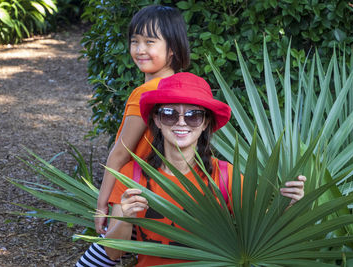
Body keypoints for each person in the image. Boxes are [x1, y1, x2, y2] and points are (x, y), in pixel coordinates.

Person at [102, 72, 306, 266]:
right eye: (169, 114)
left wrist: (288, 203)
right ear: (157, 120)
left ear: (205, 122)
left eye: (193, 115)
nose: (181, 122)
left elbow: (262, 229)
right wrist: (125, 220)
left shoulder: (226, 176)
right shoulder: (132, 175)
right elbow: (113, 253)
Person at [75, 5, 190, 267]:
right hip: (168, 194)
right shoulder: (182, 87)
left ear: (172, 48)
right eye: (135, 41)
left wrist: (102, 205)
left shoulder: (144, 93)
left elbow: (119, 153)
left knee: (93, 262)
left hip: (133, 192)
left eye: (150, 42)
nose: (140, 49)